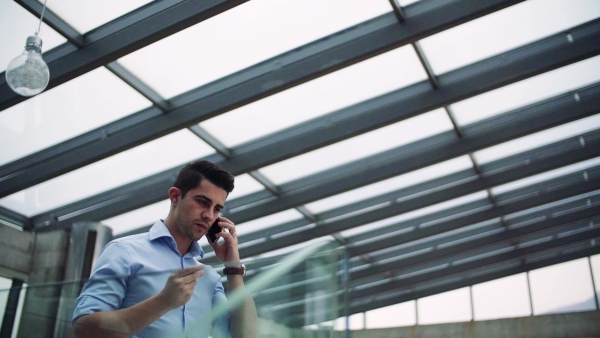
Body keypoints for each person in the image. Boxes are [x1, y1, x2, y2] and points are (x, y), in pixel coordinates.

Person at [72, 160, 257, 338]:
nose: (209, 215)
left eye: (217, 209)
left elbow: (246, 336)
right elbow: (83, 330)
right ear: (175, 196)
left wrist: (233, 267)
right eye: (202, 202)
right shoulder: (125, 252)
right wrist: (163, 302)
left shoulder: (208, 277)